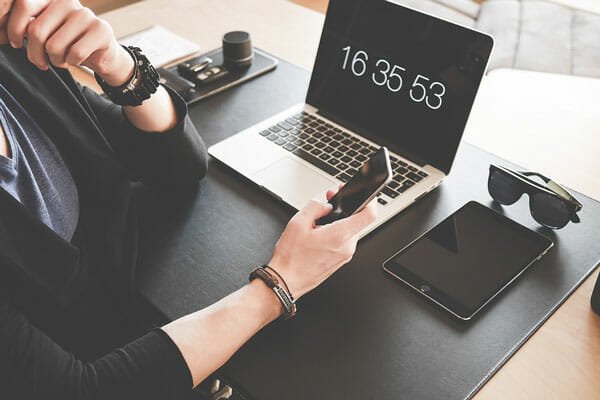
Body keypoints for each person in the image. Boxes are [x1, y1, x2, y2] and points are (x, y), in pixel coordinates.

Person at [0, 0, 377, 398]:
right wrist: (281, 283)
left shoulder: (17, 61)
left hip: (125, 309)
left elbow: (177, 166)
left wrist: (119, 65)